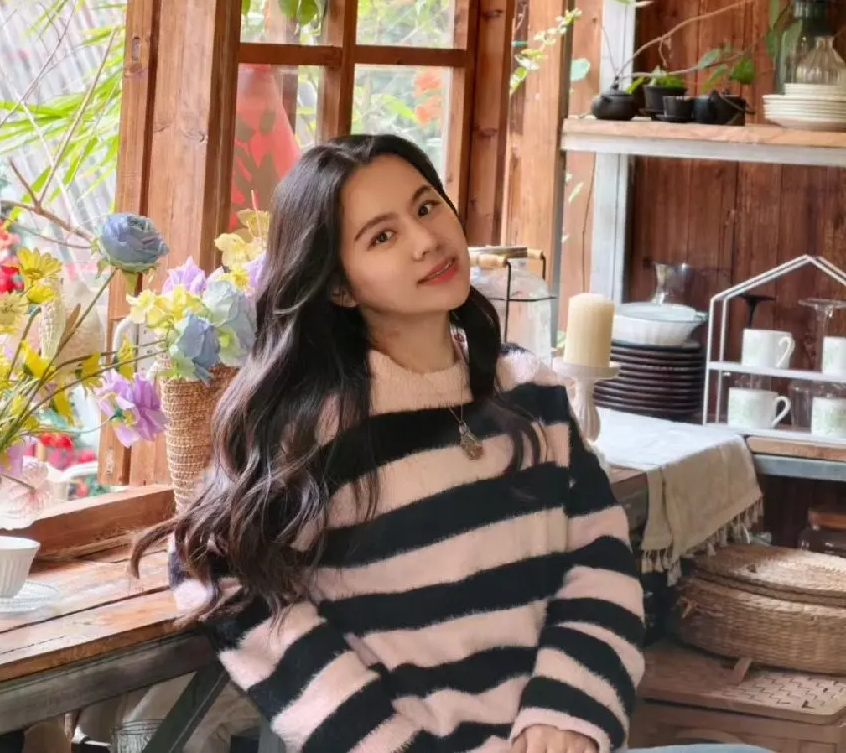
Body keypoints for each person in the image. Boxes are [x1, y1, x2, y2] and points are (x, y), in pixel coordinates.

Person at [131, 134, 764, 753]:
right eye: (382, 236)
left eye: (426, 206)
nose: (427, 240)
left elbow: (600, 563)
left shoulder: (532, 393)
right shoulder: (314, 433)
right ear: (339, 286)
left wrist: (568, 710)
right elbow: (218, 578)